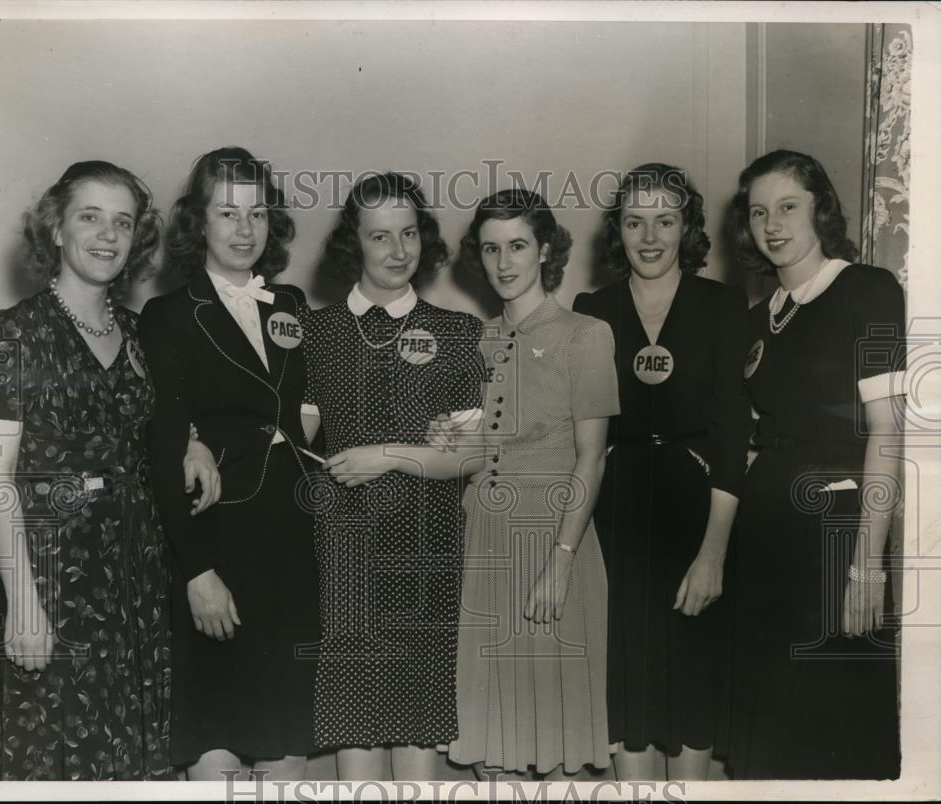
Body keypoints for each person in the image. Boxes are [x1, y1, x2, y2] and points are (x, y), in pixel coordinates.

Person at [335, 189, 619, 777]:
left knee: (552, 741)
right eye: (491, 249)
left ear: (545, 250)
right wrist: (431, 442)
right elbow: (466, 453)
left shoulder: (585, 335)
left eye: (518, 246)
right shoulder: (474, 338)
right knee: (494, 746)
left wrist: (561, 560)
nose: (504, 262)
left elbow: (591, 460)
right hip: (482, 545)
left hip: (552, 542)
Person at [0, 160, 218, 780]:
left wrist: (193, 443)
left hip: (141, 578)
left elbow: (159, 433)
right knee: (63, 754)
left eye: (123, 222)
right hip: (57, 580)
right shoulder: (13, 332)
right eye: (90, 217)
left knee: (142, 751)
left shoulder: (141, 334)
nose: (107, 235)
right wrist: (23, 602)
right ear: (56, 229)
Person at [139, 147, 320, 781]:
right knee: (215, 729)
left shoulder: (291, 305)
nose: (245, 229)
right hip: (216, 541)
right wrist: (197, 572)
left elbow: (304, 413)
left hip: (294, 543)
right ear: (199, 223)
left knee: (285, 735)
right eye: (227, 212)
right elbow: (163, 448)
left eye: (258, 213)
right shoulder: (167, 316)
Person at [725, 149, 904, 779]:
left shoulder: (868, 289)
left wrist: (866, 566)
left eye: (788, 207)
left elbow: (887, 433)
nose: (772, 224)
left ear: (820, 209)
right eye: (758, 213)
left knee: (832, 717)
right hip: (767, 528)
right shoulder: (757, 320)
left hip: (837, 530)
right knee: (768, 719)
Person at [573, 164, 751, 780]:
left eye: (665, 220)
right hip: (615, 514)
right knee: (626, 684)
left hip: (696, 508)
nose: (650, 236)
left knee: (692, 681)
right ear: (617, 232)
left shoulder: (723, 304)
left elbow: (733, 436)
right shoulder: (591, 310)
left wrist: (713, 553)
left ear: (687, 228)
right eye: (634, 221)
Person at [304, 172, 484, 781]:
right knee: (354, 726)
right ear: (354, 244)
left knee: (417, 726)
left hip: (427, 548)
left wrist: (385, 453)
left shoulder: (457, 333)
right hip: (343, 549)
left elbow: (466, 456)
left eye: (409, 233)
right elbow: (287, 437)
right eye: (380, 236)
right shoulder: (314, 333)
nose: (398, 250)